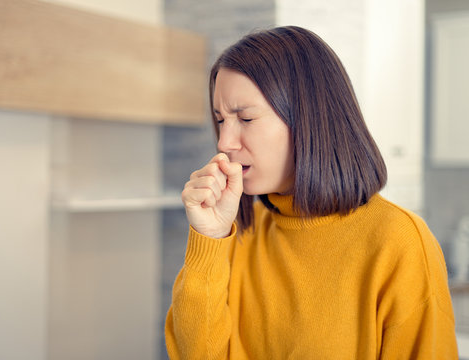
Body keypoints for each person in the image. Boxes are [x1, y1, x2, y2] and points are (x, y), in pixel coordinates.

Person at [164, 26, 458, 359]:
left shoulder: (398, 241)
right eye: (220, 120)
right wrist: (209, 238)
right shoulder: (236, 232)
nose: (224, 142)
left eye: (245, 118)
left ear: (307, 118)